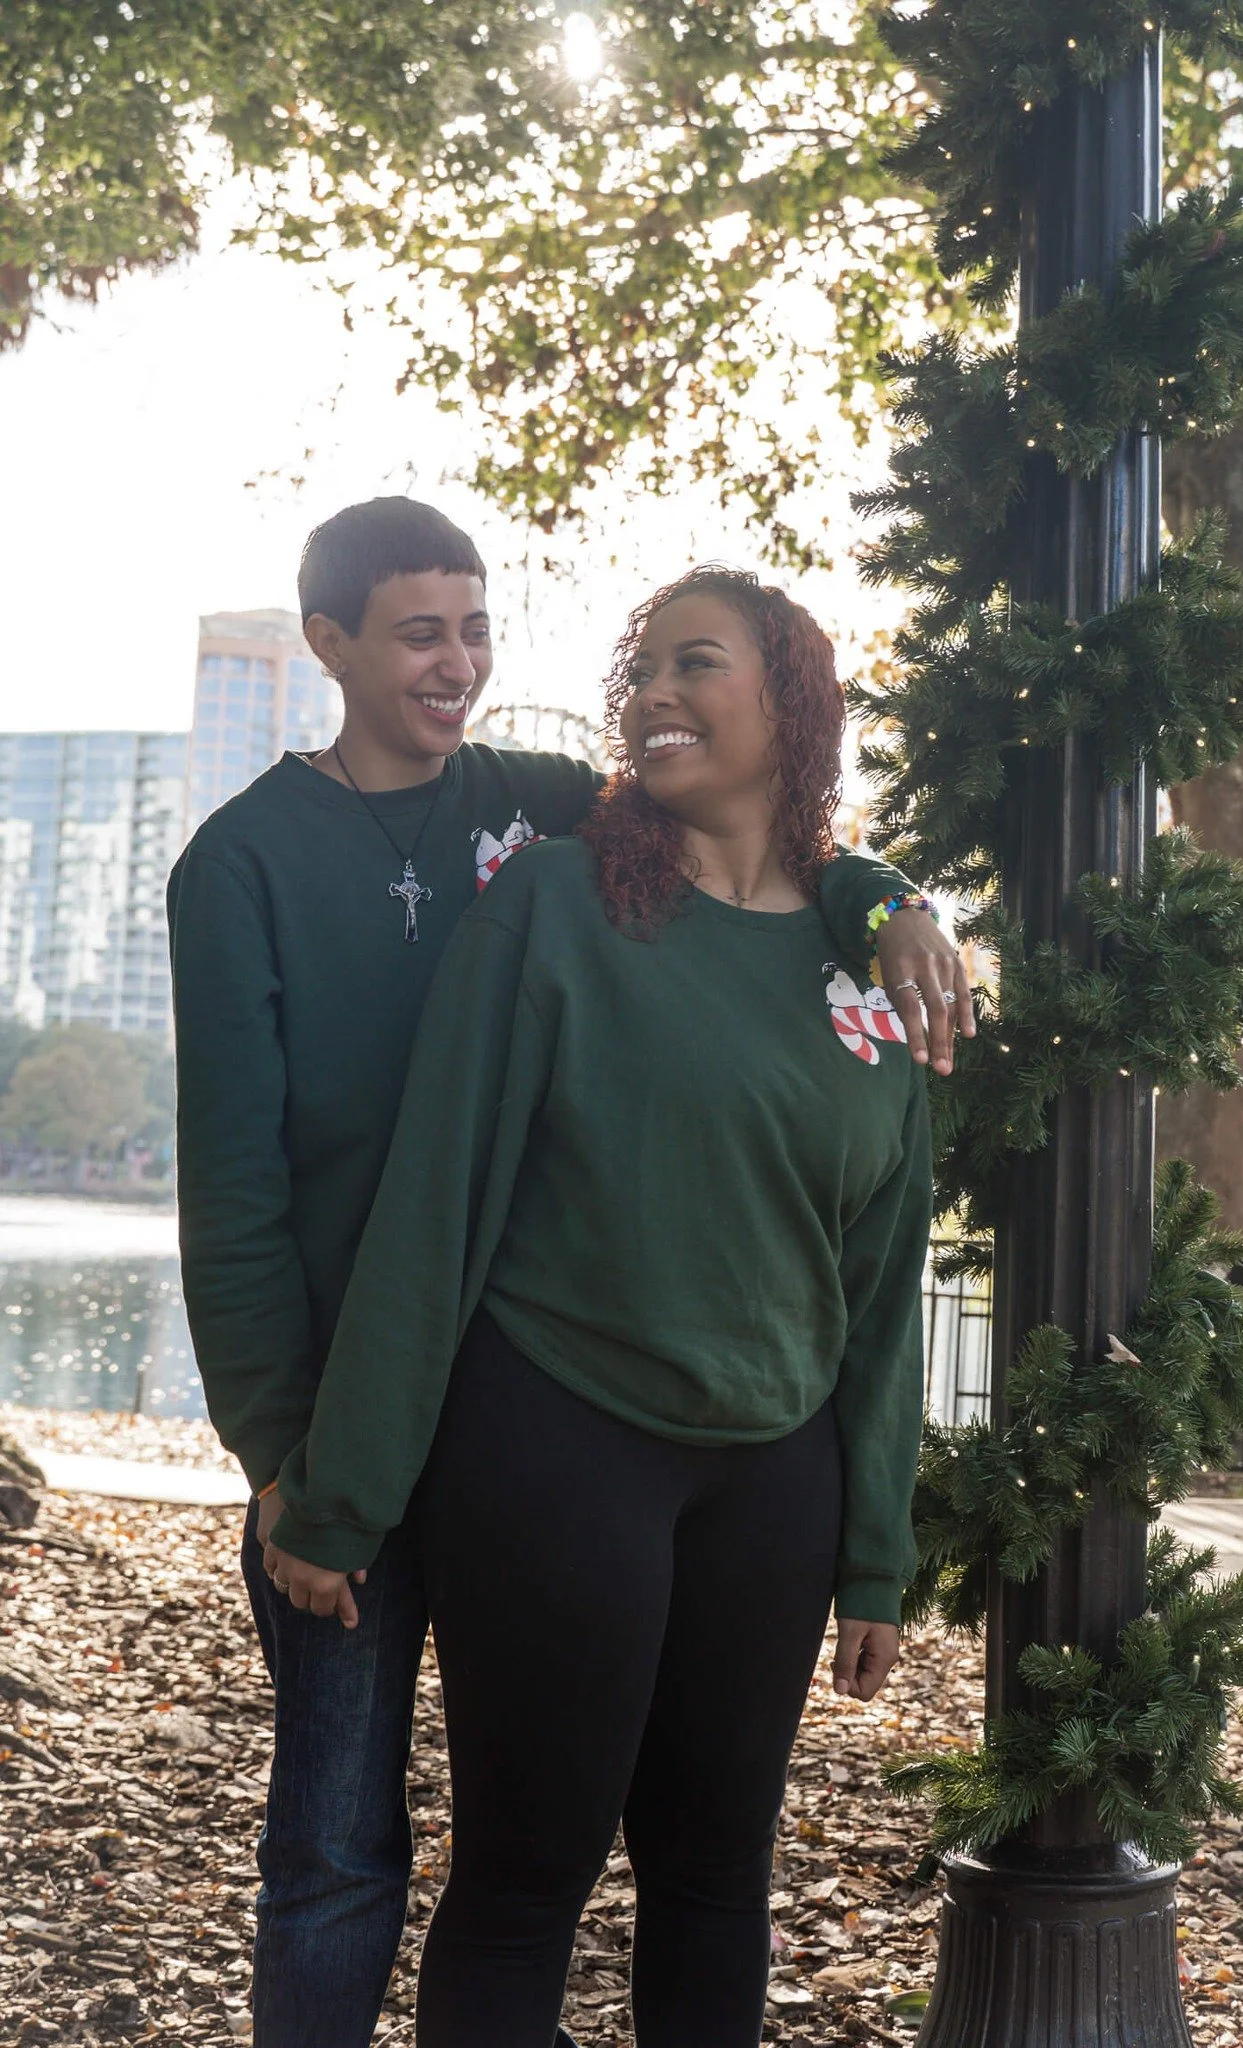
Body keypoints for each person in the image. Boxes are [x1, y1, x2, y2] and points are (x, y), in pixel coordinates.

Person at [168, 504, 972, 2048]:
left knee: (719, 1877)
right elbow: (403, 1204)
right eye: (642, 667)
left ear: (792, 701)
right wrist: (307, 1470)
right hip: (522, 1430)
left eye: (697, 664)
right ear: (330, 645)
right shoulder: (544, 893)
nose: (654, 695)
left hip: (770, 1478)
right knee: (418, 1859)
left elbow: (881, 1286)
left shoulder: (865, 975)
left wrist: (876, 1548)